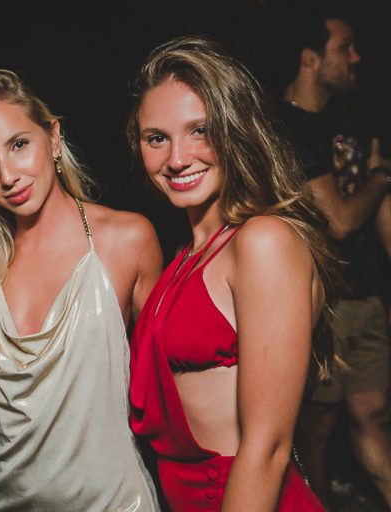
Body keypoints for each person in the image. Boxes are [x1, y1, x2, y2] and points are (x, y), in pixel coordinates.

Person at [0, 69, 162, 511]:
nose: (8, 175)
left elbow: (169, 391)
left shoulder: (126, 240)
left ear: (54, 138)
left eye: (18, 145)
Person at [127, 36, 339, 511]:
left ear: (235, 129)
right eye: (157, 138)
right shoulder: (185, 255)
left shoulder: (262, 241)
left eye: (199, 130)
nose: (176, 158)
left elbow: (266, 449)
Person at [279, 10, 391, 508]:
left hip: (365, 296)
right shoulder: (286, 128)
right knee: (318, 428)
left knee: (375, 414)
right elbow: (341, 219)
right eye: (344, 48)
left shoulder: (349, 118)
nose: (356, 57)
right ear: (310, 58)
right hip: (319, 304)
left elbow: (374, 209)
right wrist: (382, 178)